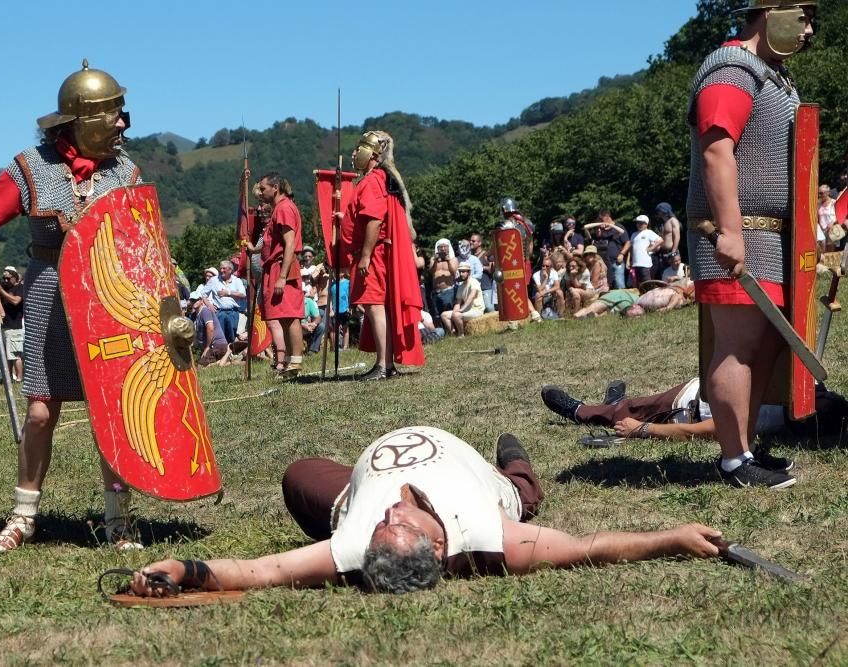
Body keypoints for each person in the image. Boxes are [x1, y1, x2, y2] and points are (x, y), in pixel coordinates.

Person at [129, 426, 725, 596]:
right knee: (523, 488)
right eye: (398, 525)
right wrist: (672, 536)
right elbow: (588, 549)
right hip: (482, 478)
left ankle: (339, 498)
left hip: (351, 485)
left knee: (298, 474)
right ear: (437, 547)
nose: (389, 515)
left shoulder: (359, 538)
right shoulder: (492, 534)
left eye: (384, 525)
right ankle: (515, 462)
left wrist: (183, 568)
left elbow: (262, 571)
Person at [0, 60, 144, 551]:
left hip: (109, 299)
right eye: (113, 115)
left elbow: (139, 242)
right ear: (83, 120)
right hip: (49, 290)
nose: (122, 124)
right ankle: (24, 516)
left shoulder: (126, 171)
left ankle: (118, 521)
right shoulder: (34, 165)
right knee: (42, 413)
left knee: (112, 412)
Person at [685, 0, 815, 488]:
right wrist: (731, 232)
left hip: (769, 235)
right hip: (738, 233)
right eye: (801, 17)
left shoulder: (770, 76)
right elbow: (717, 149)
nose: (808, 30)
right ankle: (734, 460)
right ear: (769, 13)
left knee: (762, 346)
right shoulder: (732, 68)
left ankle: (745, 446)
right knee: (737, 345)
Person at [541, 379, 845, 463]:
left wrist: (644, 431)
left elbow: (705, 431)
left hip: (689, 407)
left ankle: (580, 411)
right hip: (701, 390)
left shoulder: (768, 423)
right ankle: (607, 407)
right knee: (629, 410)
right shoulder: (801, 379)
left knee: (624, 414)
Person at [341, 131, 424, 380]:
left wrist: (365, 255)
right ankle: (384, 364)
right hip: (373, 253)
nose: (354, 154)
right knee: (376, 307)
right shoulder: (377, 180)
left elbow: (375, 220)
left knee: (375, 306)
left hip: (374, 254)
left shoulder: (371, 181)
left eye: (359, 149)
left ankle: (383, 366)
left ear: (373, 154)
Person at [257, 172, 306, 378]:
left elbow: (290, 244)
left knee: (290, 316)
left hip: (282, 268)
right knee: (283, 317)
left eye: (263, 188)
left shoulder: (284, 208)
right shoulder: (278, 209)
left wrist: (283, 276)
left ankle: (295, 362)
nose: (260, 192)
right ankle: (287, 363)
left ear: (275, 187)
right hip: (275, 267)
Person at [205, 260, 246, 344]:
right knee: (220, 337)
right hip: (220, 313)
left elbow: (243, 294)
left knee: (232, 337)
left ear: (230, 270)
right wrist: (209, 305)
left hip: (233, 312)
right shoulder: (214, 280)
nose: (221, 270)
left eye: (224, 268)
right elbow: (203, 294)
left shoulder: (237, 281)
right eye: (220, 268)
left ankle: (231, 355)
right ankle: (220, 355)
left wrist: (228, 293)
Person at [440, 262, 485, 337]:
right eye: (460, 272)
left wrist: (461, 310)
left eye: (463, 272)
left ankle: (461, 334)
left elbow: (472, 296)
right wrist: (455, 311)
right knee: (444, 315)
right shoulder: (461, 286)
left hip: (477, 310)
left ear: (469, 272)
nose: (461, 274)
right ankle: (453, 333)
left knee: (457, 315)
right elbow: (458, 302)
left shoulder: (474, 282)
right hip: (467, 310)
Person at [591, 211, 630, 289]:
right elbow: (586, 227)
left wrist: (622, 254)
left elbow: (628, 242)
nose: (600, 221)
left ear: (607, 216)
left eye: (601, 219)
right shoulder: (600, 229)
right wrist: (599, 225)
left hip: (616, 261)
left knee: (619, 284)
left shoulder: (619, 227)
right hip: (604, 263)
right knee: (607, 285)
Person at [0, 267, 24, 382]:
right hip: (5, 327)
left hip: (15, 327)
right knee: (6, 356)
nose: (6, 280)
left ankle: (19, 378)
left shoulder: (19, 288)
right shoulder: (4, 289)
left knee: (15, 355)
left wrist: (1, 291)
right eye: (4, 278)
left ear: (14, 278)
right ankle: (8, 378)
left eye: (8, 278)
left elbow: (15, 301)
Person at [192, 296, 229, 366]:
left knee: (200, 366)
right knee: (195, 364)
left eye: (196, 299)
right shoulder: (196, 315)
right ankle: (222, 360)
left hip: (217, 345)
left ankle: (225, 359)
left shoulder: (205, 311)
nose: (194, 301)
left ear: (201, 301)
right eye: (192, 300)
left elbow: (210, 329)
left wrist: (207, 347)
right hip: (214, 346)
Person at [628, 215, 663, 286]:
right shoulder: (633, 234)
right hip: (635, 264)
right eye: (638, 223)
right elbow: (631, 248)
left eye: (641, 223)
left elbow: (660, 240)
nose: (639, 225)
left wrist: (652, 248)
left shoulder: (649, 232)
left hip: (645, 264)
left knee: (647, 283)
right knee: (637, 284)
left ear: (646, 224)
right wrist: (629, 260)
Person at [430, 239, 458, 320]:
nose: (442, 249)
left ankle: (452, 331)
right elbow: (431, 272)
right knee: (437, 316)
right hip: (436, 292)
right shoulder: (433, 259)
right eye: (440, 247)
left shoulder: (453, 259)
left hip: (448, 291)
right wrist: (435, 261)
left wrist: (448, 261)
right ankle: (443, 332)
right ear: (437, 248)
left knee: (448, 314)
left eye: (445, 247)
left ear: (448, 248)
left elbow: (454, 273)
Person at [653, 203, 682, 278]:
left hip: (671, 251)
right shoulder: (663, 223)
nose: (658, 213)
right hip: (663, 252)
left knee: (672, 273)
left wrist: (674, 251)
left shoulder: (673, 221)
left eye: (659, 211)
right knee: (664, 274)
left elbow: (677, 236)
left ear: (663, 211)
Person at [470, 233, 496, 313]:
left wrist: (482, 267)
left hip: (486, 287)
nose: (471, 242)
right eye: (470, 240)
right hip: (474, 288)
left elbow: (493, 270)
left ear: (480, 243)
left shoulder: (486, 255)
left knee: (489, 308)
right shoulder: (469, 256)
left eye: (473, 241)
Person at [572, 288, 637, 319]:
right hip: (628, 304)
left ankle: (574, 318)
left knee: (588, 309)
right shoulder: (637, 297)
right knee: (606, 314)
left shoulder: (616, 293)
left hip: (620, 296)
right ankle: (595, 316)